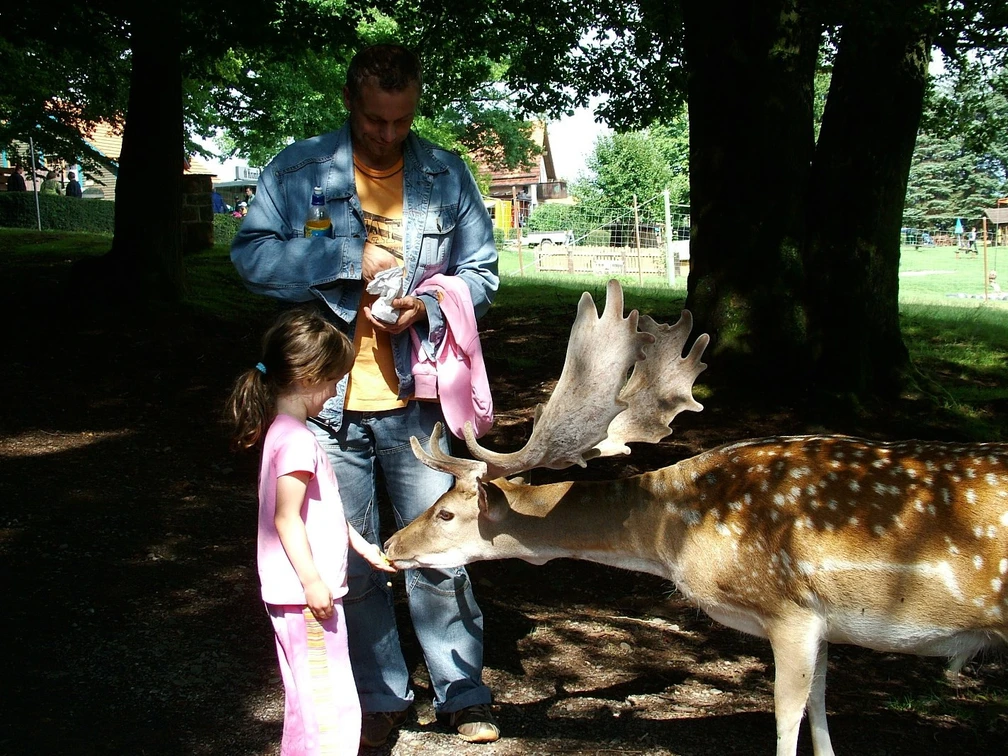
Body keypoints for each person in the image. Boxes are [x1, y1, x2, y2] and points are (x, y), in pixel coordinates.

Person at [231, 43, 500, 748]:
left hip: (418, 401)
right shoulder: (297, 171)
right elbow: (252, 258)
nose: (387, 134)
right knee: (351, 559)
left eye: (402, 121)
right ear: (351, 101)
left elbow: (482, 269)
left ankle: (463, 692)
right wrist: (345, 259)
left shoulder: (446, 172)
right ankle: (379, 695)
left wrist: (432, 307)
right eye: (376, 120)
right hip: (327, 405)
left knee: (441, 551)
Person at [225, 307, 397, 755]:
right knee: (330, 703)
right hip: (306, 597)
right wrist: (313, 581)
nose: (336, 391)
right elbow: (286, 517)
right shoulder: (299, 441)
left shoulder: (283, 432)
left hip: (298, 593)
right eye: (333, 380)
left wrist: (361, 545)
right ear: (306, 377)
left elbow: (319, 510)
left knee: (307, 696)